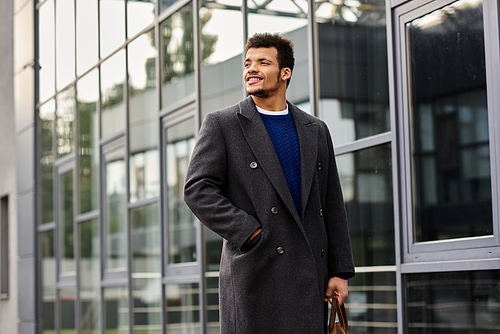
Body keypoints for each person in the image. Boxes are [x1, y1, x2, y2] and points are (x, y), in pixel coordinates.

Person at [184, 32, 355, 333]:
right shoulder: (223, 124)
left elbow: (331, 202)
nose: (251, 69)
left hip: (308, 273)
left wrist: (340, 271)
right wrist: (249, 232)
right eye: (248, 62)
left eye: (263, 62)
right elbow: (197, 189)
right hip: (255, 272)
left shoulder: (315, 129)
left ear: (285, 73)